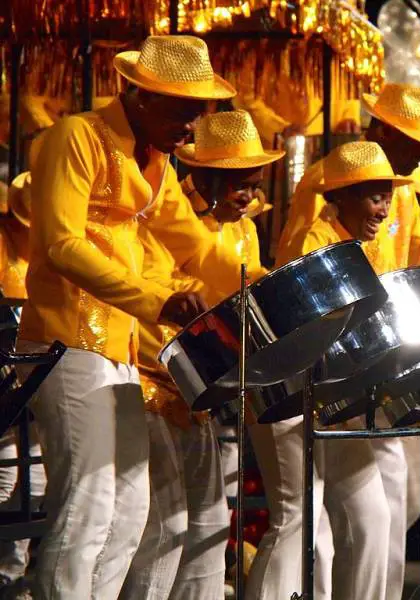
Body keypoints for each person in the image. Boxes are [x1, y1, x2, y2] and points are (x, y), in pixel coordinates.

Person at [16, 35, 263, 599]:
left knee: (129, 513)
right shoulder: (76, 136)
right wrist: (157, 302)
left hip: (120, 348)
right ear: (138, 95)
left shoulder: (156, 164)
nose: (191, 128)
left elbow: (197, 248)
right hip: (67, 338)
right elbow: (60, 245)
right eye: (183, 111)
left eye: (198, 114)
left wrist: (271, 292)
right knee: (88, 507)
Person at [263, 83, 420, 600]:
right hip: (328, 373)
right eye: (415, 144)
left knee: (400, 504)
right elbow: (306, 276)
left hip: (377, 367)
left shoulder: (399, 193)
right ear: (383, 131)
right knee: (323, 516)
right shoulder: (328, 184)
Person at [119, 110, 282, 599]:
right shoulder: (167, 215)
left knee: (211, 523)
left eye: (254, 185)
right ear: (204, 176)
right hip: (152, 380)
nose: (249, 195)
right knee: (165, 527)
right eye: (238, 183)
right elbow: (150, 292)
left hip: (199, 394)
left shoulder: (244, 230)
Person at [245, 141, 413, 600]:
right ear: (343, 197)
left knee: (372, 517)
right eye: (375, 197)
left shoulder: (368, 249)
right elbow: (313, 332)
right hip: (292, 397)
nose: (384, 210)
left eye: (387, 197)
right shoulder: (312, 241)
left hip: (333, 401)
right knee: (297, 516)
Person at [0, 172, 45, 600]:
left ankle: (12, 571)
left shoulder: (45, 254)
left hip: (31, 371)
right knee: (8, 469)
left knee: (33, 475)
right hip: (5, 374)